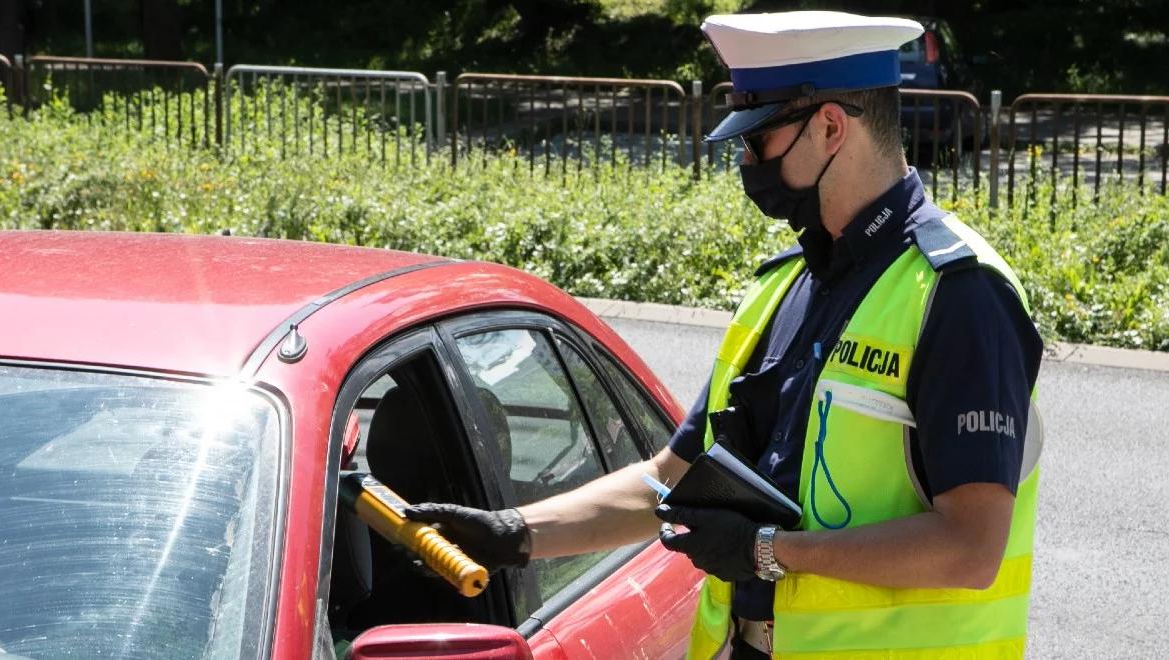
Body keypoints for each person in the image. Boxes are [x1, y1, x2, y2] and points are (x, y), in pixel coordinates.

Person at [407, 10, 1043, 660]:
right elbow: (669, 479)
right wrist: (511, 534)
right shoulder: (785, 286)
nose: (744, 161)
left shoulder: (959, 295)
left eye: (759, 138)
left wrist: (768, 551)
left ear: (829, 127)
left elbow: (970, 548)